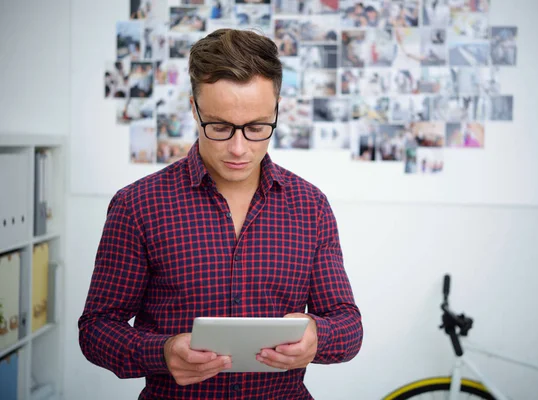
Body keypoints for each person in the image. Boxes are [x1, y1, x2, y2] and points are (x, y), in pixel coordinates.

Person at [79, 28, 363, 399]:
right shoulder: (138, 205)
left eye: (257, 127)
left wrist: (317, 337)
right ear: (194, 108)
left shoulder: (310, 207)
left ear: (276, 109)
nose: (238, 148)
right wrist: (160, 353)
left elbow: (348, 325)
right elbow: (97, 328)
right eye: (220, 127)